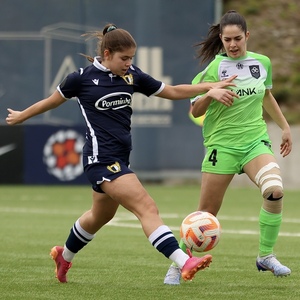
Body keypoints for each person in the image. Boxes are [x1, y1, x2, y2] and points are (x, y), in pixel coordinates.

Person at [6, 23, 238, 283]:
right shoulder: (80, 78)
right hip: (100, 159)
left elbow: (171, 91)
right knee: (147, 207)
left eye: (132, 58)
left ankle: (64, 255)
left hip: (119, 158)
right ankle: (185, 261)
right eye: (124, 58)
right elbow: (50, 101)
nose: (129, 63)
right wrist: (22, 115)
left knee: (101, 215)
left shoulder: (132, 76)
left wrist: (210, 87)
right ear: (107, 54)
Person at [164, 10, 292, 285]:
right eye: (227, 40)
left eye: (237, 39)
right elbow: (195, 109)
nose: (233, 45)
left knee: (275, 191)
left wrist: (284, 127)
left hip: (254, 141)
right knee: (205, 215)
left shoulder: (262, 62)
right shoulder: (214, 68)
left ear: (247, 36)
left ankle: (266, 255)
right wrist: (210, 93)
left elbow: (266, 94)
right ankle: (178, 264)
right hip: (221, 145)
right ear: (221, 39)